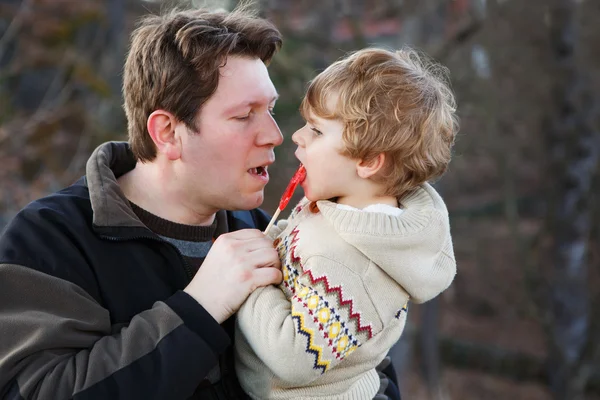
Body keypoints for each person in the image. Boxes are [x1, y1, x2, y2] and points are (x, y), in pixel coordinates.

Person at [0, 6, 400, 400]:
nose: (276, 135)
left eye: (271, 110)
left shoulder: (274, 235)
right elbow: (36, 390)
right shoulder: (50, 240)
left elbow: (370, 373)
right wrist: (201, 306)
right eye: (245, 116)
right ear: (168, 132)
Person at [234, 47, 458, 400]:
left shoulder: (356, 268)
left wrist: (247, 280)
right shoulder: (336, 209)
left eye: (317, 131)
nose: (297, 137)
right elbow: (292, 251)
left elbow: (292, 356)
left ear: (368, 161)